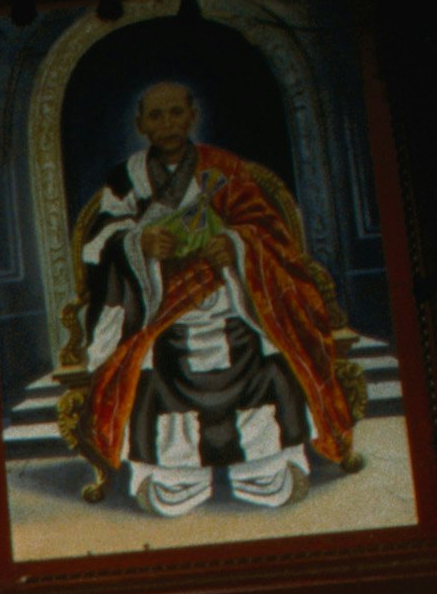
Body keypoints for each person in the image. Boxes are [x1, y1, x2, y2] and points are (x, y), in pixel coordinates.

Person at [70, 82, 360, 516]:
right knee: (148, 361)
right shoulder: (125, 177)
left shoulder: (225, 167)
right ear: (141, 125)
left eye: (176, 113)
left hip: (231, 294)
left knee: (265, 350)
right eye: (156, 116)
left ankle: (262, 465)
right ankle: (175, 473)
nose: (167, 124)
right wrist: (139, 242)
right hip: (158, 303)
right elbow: (99, 243)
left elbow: (268, 232)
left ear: (192, 116)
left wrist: (236, 245)